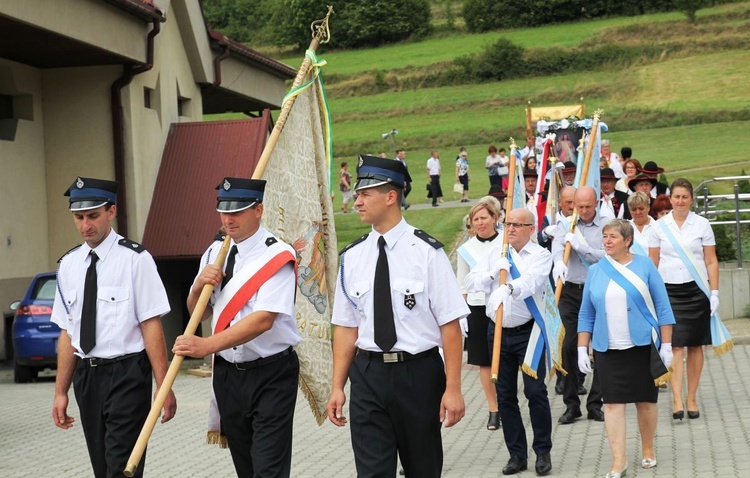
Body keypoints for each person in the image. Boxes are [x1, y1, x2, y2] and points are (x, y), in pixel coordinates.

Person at [327, 155, 468, 478]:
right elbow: (346, 327)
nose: (357, 201)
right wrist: (337, 386)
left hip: (417, 374)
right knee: (373, 472)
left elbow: (450, 325)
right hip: (367, 375)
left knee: (423, 468)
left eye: (365, 194)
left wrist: (454, 388)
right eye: (357, 194)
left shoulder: (427, 253)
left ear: (391, 196)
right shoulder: (353, 257)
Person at [174, 177, 299, 477]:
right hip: (229, 376)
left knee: (268, 468)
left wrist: (206, 346)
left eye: (238, 212)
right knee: (246, 467)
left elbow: (263, 320)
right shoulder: (214, 252)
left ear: (258, 210)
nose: (228, 219)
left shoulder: (277, 255)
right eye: (224, 211)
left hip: (271, 374)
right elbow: (198, 313)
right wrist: (196, 289)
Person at [51, 177, 176, 478]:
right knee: (102, 467)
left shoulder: (135, 259)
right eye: (79, 218)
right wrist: (60, 392)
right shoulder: (68, 264)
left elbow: (151, 325)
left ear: (111, 211)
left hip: (127, 375)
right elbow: (68, 332)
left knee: (122, 467)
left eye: (92, 215)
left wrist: (164, 386)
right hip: (87, 377)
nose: (85, 225)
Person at [578, 219, 675, 478]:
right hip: (607, 348)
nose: (607, 241)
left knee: (644, 401)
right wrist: (581, 347)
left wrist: (666, 344)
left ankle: (647, 448)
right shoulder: (597, 270)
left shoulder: (645, 266)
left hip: (642, 345)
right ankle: (618, 460)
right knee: (612, 404)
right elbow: (586, 312)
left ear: (627, 240)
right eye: (605, 236)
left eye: (613, 237)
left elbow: (663, 307)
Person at [467, 208, 553, 476]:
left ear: (531, 228)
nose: (511, 228)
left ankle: (542, 451)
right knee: (504, 395)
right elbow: (472, 281)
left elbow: (533, 281)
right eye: (508, 224)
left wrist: (509, 286)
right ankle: (517, 454)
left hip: (529, 331)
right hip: (499, 331)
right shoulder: (496, 252)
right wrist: (494, 274)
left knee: (535, 392)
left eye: (518, 224)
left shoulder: (541, 254)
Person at [648, 178, 720, 422]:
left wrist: (715, 292)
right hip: (669, 291)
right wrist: (650, 295)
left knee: (696, 345)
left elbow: (711, 260)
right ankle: (677, 398)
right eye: (676, 197)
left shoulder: (702, 224)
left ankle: (692, 397)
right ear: (670, 199)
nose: (680, 201)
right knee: (675, 345)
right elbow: (653, 263)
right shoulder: (659, 226)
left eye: (684, 197)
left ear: (691, 199)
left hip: (696, 290)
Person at [552, 186, 609, 424]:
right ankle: (571, 403)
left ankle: (595, 403)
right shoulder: (565, 225)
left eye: (588, 206)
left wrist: (581, 247)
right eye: (579, 206)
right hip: (571, 292)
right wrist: (558, 263)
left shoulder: (608, 224)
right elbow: (556, 251)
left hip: (597, 290)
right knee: (568, 346)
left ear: (596, 203)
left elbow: (607, 255)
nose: (584, 211)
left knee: (601, 346)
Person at [456, 197, 505, 431]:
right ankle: (494, 408)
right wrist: (462, 315)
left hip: (504, 307)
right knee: (484, 362)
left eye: (484, 218)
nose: (480, 223)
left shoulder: (506, 242)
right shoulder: (466, 250)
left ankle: (507, 401)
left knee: (506, 357)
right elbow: (462, 285)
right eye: (475, 219)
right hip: (477, 310)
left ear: (495, 218)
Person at [627, 192, 655, 256]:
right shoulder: (625, 228)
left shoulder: (658, 227)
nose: (638, 212)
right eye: (634, 209)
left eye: (641, 208)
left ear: (648, 207)